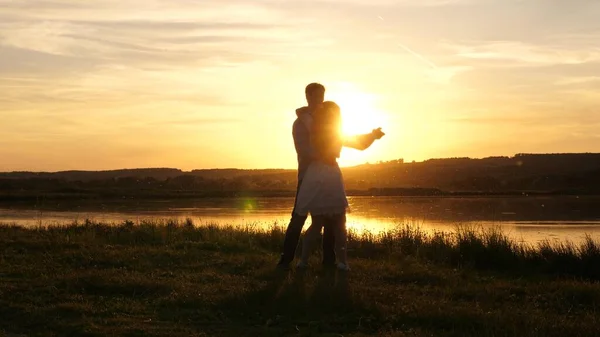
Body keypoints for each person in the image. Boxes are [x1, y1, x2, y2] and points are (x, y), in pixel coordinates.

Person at [294, 101, 384, 271]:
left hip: (318, 174)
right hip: (328, 174)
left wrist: (372, 135)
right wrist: (373, 135)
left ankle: (304, 262)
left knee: (318, 222)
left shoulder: (314, 126)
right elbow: (359, 143)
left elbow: (358, 142)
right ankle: (341, 263)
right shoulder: (327, 130)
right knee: (338, 222)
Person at [277, 83, 336, 269]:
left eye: (322, 95)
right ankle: (286, 260)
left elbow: (335, 140)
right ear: (308, 96)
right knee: (298, 218)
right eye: (317, 95)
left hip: (326, 176)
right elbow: (303, 150)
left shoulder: (327, 120)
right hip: (307, 176)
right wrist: (324, 155)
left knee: (330, 218)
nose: (320, 99)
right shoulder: (300, 123)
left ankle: (329, 261)